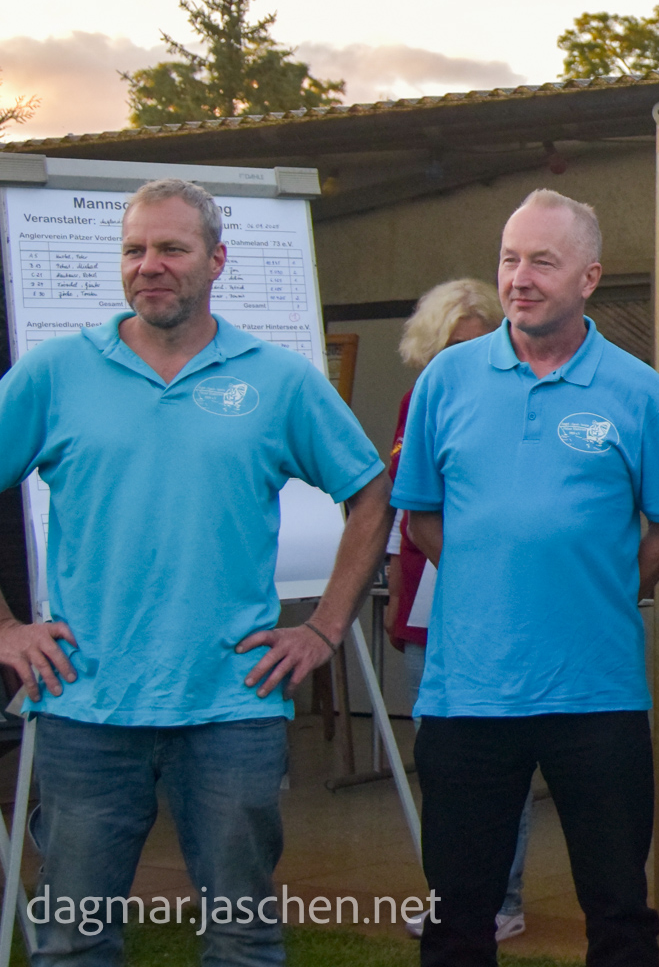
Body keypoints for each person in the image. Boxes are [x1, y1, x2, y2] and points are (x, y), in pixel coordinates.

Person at [0, 178, 392, 966]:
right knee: (72, 942)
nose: (149, 265)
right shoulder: (54, 373)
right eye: (134, 250)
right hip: (87, 706)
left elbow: (373, 493)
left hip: (231, 709)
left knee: (243, 940)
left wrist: (323, 628)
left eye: (171, 249)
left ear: (216, 261)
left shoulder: (277, 380)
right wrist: (6, 628)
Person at [392, 189, 659, 967]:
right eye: (509, 259)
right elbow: (420, 515)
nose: (519, 278)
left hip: (597, 693)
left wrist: (600, 591)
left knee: (620, 912)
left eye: (542, 262)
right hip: (469, 694)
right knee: (458, 915)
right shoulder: (446, 381)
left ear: (589, 278)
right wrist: (492, 581)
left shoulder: (639, 392)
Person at [384, 279, 531, 943]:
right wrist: (395, 588)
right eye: (451, 345)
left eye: (477, 341)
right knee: (441, 760)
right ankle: (453, 897)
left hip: (501, 600)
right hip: (428, 597)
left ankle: (504, 897)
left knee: (500, 758)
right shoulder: (419, 399)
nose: (464, 356)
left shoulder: (518, 395)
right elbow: (404, 508)